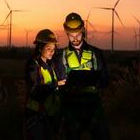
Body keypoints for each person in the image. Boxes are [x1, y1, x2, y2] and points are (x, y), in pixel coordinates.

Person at [54, 12, 109, 140]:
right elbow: (57, 85)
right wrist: (65, 84)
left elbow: (106, 80)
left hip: (93, 106)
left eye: (78, 34)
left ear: (83, 31)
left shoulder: (96, 54)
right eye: (71, 36)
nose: (75, 38)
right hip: (71, 107)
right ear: (66, 33)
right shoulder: (60, 56)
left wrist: (95, 80)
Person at [23, 29, 66, 140]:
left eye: (53, 49)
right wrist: (56, 84)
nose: (52, 52)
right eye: (48, 48)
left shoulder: (51, 65)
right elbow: (35, 91)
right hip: (37, 115)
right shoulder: (33, 65)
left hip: (50, 116)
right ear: (40, 48)